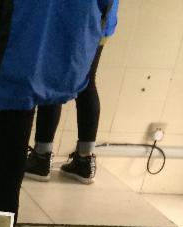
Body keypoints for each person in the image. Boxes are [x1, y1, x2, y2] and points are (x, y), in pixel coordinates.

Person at [0, 0, 114, 221]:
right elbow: (106, 13)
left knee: (6, 183)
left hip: (15, 62)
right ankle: (65, 156)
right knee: (51, 95)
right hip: (65, 58)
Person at [25, 1, 119, 184]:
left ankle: (41, 158)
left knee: (53, 81)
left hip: (71, 18)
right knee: (88, 83)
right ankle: (85, 159)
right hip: (101, 20)